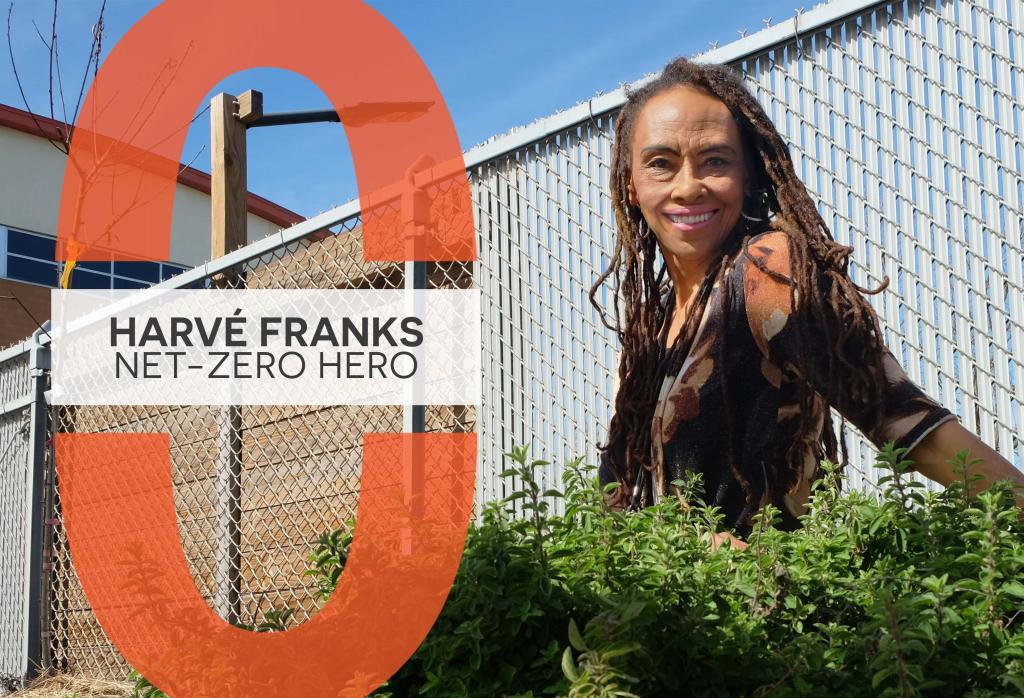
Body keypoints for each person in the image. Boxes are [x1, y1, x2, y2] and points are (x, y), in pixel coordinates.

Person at [588, 57, 1024, 550]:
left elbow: (897, 415)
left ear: (749, 176)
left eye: (715, 160)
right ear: (631, 185)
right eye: (661, 163)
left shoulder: (767, 269)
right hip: (666, 614)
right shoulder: (657, 324)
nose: (688, 186)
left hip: (764, 608)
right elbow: (617, 505)